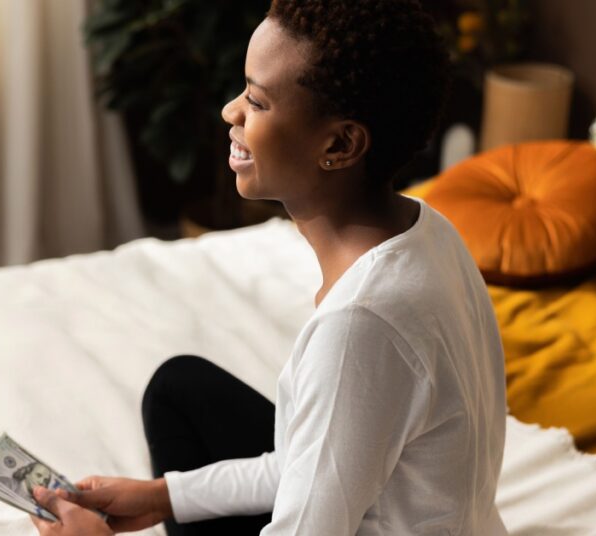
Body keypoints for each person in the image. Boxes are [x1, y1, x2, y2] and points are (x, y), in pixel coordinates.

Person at [29, 1, 508, 534]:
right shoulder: (429, 229)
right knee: (178, 390)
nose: (230, 112)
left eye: (257, 101)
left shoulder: (362, 325)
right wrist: (163, 497)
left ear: (340, 144)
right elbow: (310, 461)